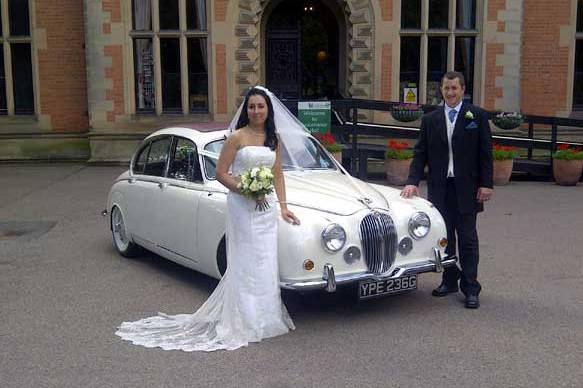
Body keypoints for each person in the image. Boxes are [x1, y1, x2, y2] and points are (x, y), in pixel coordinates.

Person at [115, 87, 300, 351]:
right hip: (242, 206)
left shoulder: (274, 139)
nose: (256, 111)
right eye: (251, 106)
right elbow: (222, 174)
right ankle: (245, 320)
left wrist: (283, 207)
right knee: (245, 260)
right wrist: (247, 189)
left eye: (260, 106)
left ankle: (266, 317)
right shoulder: (236, 137)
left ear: (268, 109)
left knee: (265, 259)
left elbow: (278, 174)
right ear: (246, 110)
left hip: (266, 208)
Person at [401, 71, 493, 309]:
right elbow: (420, 153)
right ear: (441, 90)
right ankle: (450, 280)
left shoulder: (477, 116)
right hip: (440, 188)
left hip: (468, 188)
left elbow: (486, 154)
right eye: (446, 88)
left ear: (463, 89)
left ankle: (471, 288)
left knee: (468, 239)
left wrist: (486, 184)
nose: (450, 92)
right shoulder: (430, 120)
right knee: (444, 239)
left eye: (454, 88)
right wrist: (412, 180)